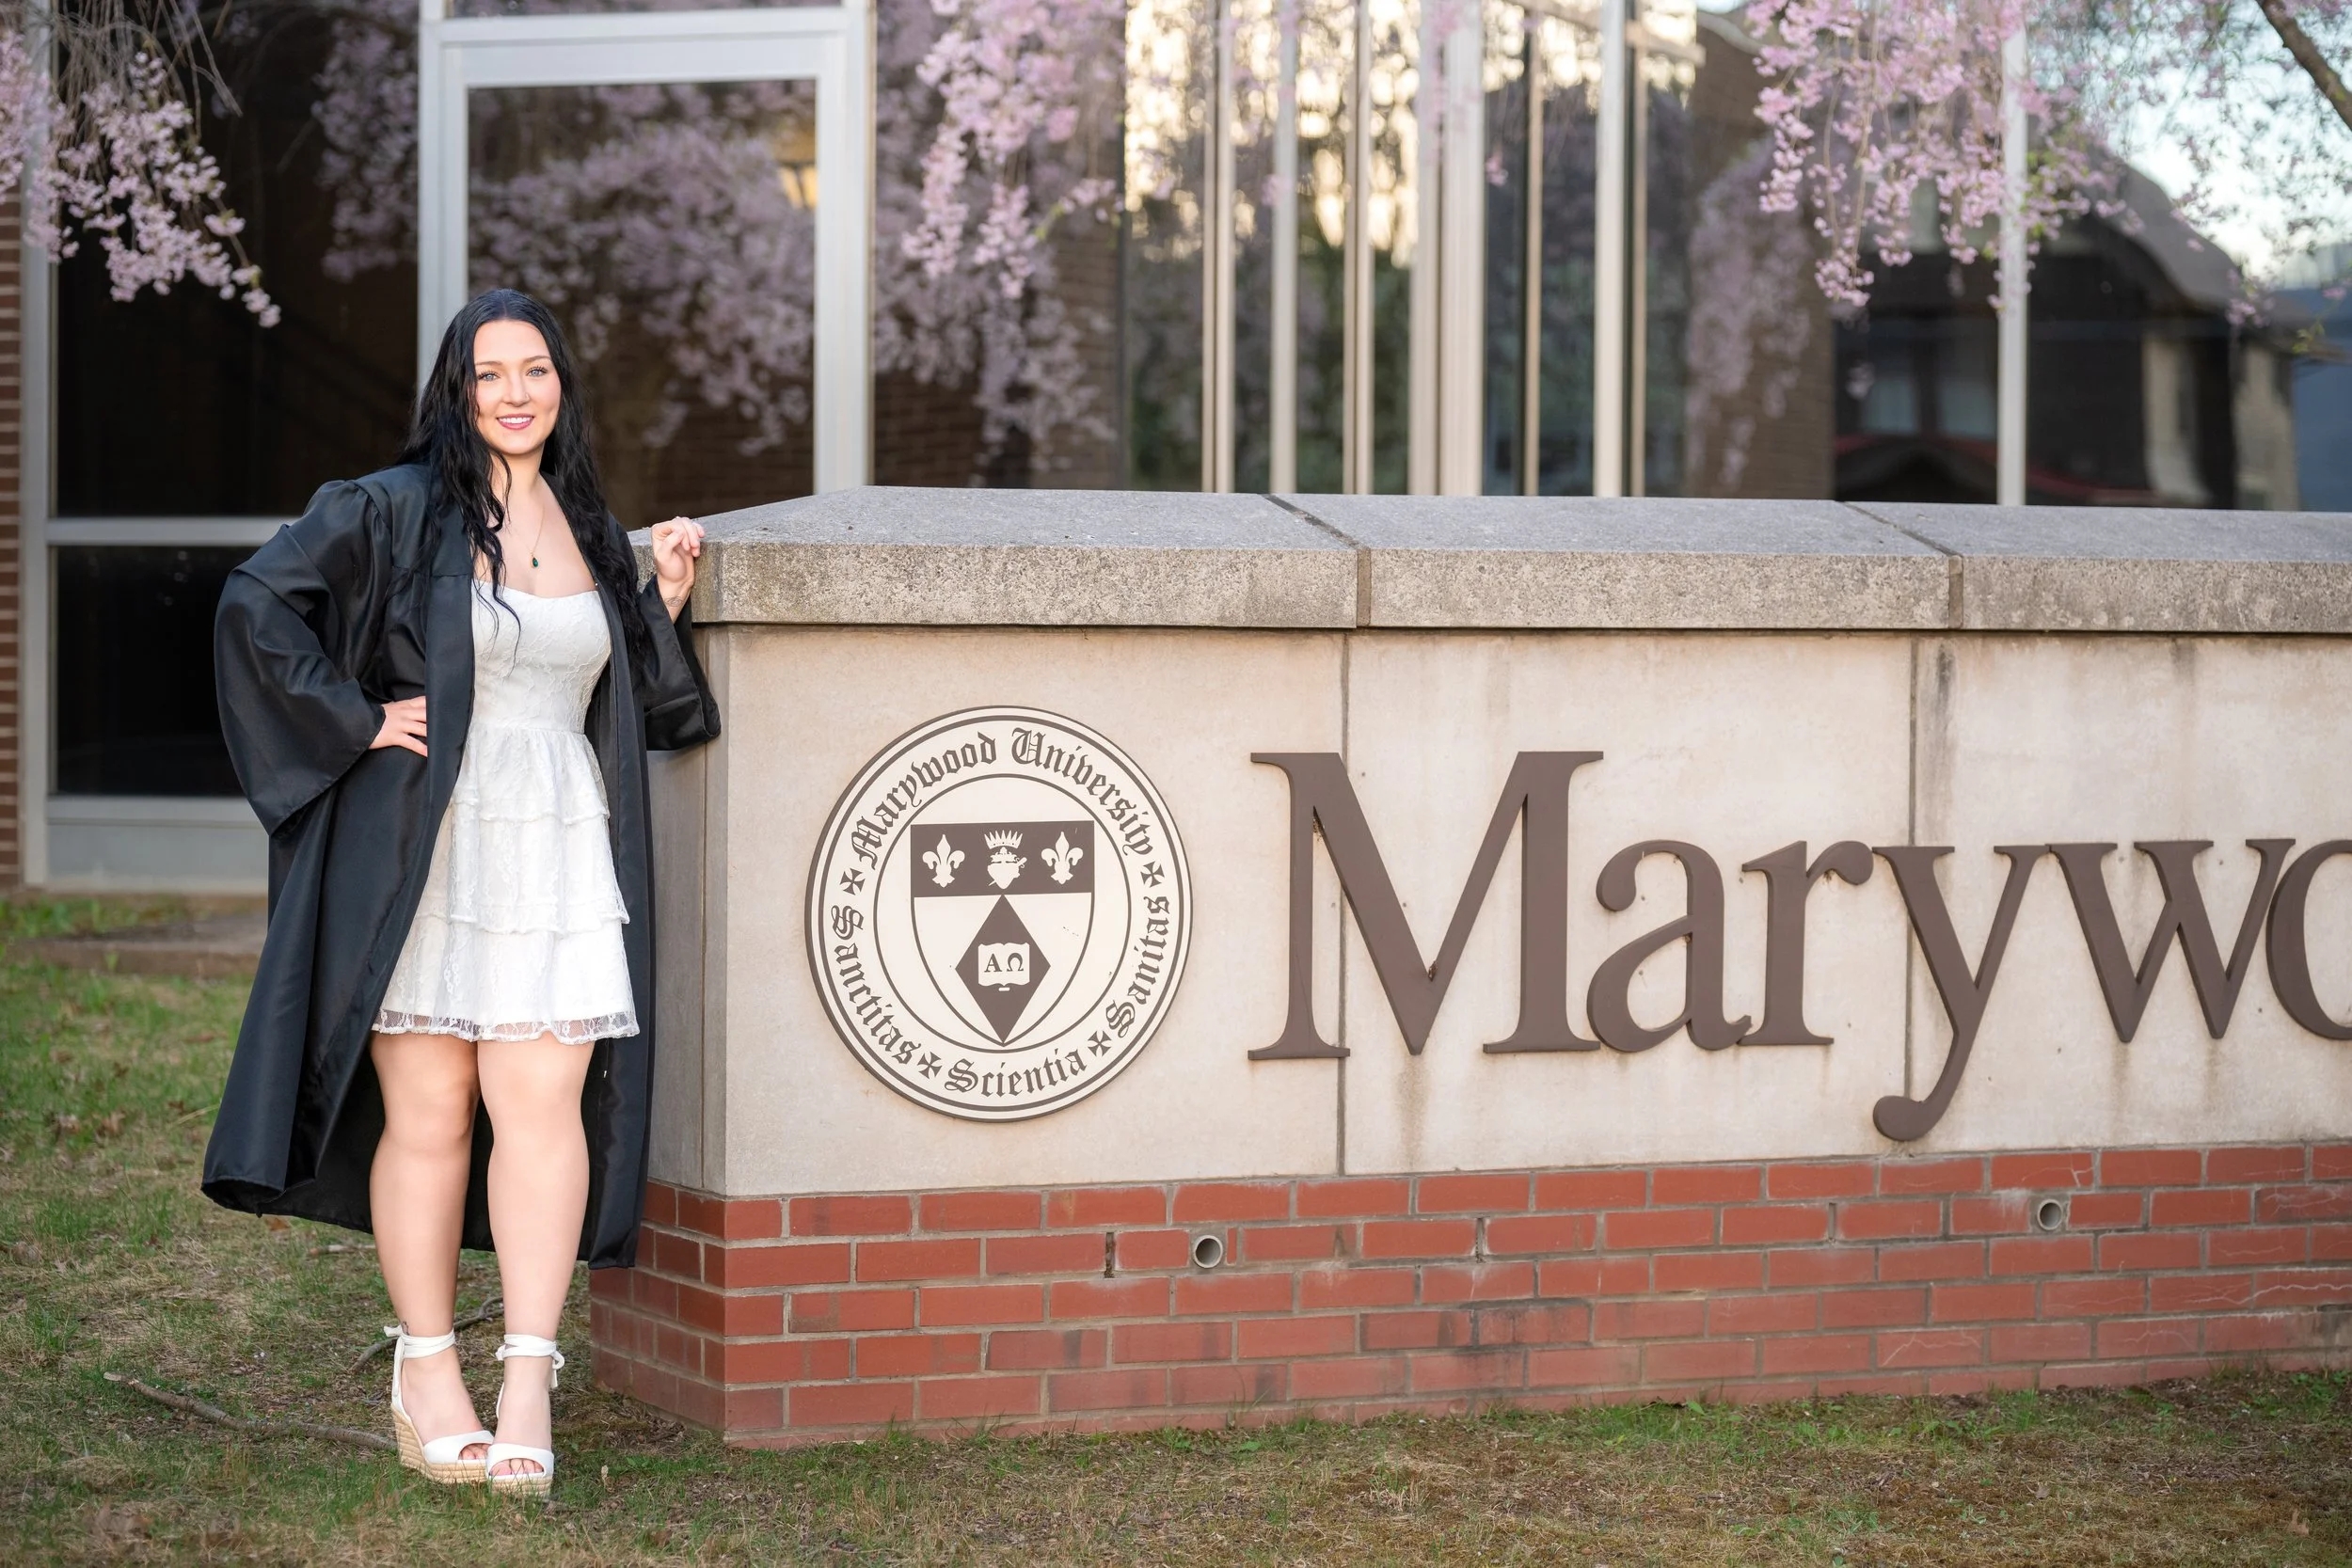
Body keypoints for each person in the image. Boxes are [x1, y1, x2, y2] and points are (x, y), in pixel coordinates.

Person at [202, 289, 721, 1497]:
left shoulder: (589, 523)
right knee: (430, 1111)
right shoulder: (396, 510)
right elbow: (256, 601)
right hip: (428, 842)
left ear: (561, 385)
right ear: (457, 389)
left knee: (541, 1102)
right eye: (488, 374)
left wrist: (660, 602)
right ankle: (428, 1368)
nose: (514, 393)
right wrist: (354, 718)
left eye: (533, 370)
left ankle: (529, 1374)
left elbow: (615, 688)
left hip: (552, 842)